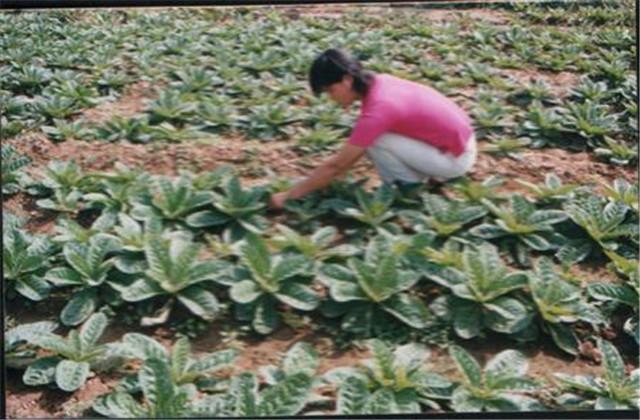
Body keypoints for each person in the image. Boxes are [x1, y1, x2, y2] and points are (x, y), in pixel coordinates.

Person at [269, 48, 477, 209]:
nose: (331, 98)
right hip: (462, 143)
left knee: (375, 139)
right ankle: (422, 176)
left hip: (455, 159)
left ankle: (406, 187)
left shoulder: (379, 109)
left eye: (331, 90)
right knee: (371, 136)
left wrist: (288, 196)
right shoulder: (381, 82)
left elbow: (336, 166)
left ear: (347, 80)